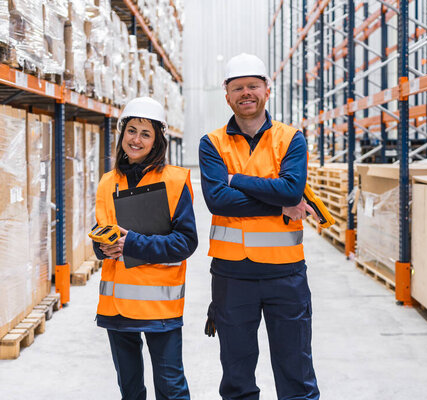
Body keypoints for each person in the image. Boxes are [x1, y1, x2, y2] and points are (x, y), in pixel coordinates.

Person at [199, 53, 320, 400]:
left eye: (253, 86)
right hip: (232, 274)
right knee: (236, 373)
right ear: (227, 95)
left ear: (267, 90)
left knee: (295, 367)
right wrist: (279, 202)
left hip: (286, 274)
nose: (245, 93)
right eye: (237, 88)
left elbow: (292, 189)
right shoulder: (212, 143)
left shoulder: (290, 138)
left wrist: (235, 179)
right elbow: (217, 201)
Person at [93, 97, 198, 400]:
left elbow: (185, 242)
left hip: (160, 307)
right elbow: (102, 234)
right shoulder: (107, 183)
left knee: (171, 388)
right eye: (132, 130)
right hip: (117, 306)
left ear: (157, 141)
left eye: (145, 133)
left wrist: (133, 243)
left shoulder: (175, 181)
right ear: (122, 133)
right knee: (130, 390)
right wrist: (102, 247)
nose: (136, 139)